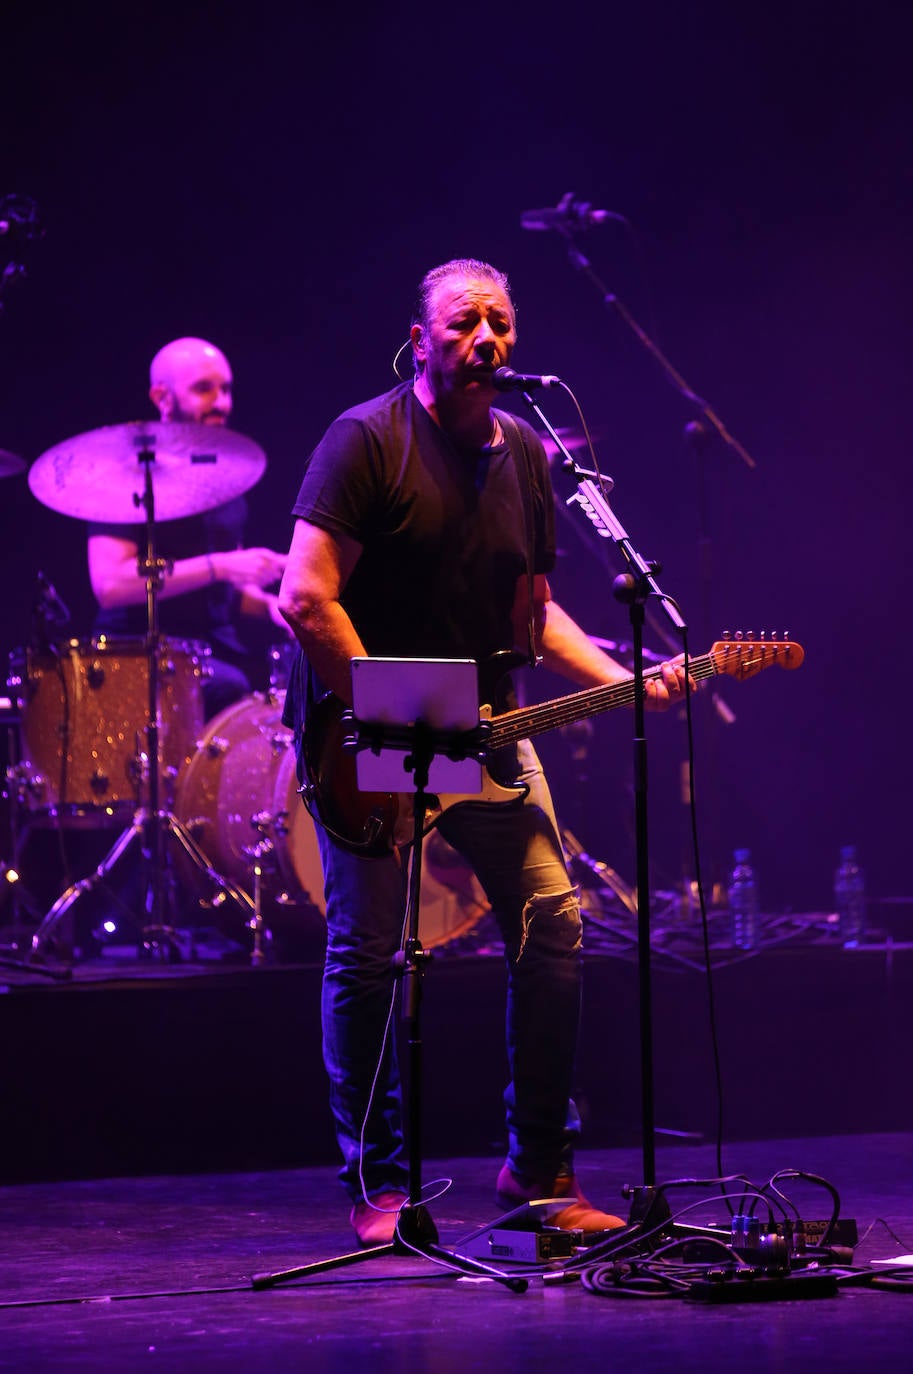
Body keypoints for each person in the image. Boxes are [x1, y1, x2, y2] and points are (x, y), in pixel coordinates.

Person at [278, 259, 690, 1248]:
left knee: (554, 918)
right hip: (374, 721)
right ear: (420, 341)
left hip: (485, 716)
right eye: (463, 324)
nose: (486, 342)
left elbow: (533, 616)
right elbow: (305, 596)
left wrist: (621, 678)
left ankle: (536, 1168)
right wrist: (406, 710)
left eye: (500, 325)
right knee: (371, 950)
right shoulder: (363, 440)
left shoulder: (526, 457)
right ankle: (378, 1184)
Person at [87, 336, 289, 718]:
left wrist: (272, 607)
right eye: (204, 389)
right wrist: (223, 565)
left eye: (227, 389)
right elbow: (110, 585)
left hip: (211, 651)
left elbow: (220, 594)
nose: (223, 403)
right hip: (134, 654)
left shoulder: (225, 477)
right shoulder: (123, 476)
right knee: (231, 686)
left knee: (289, 682)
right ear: (162, 397)